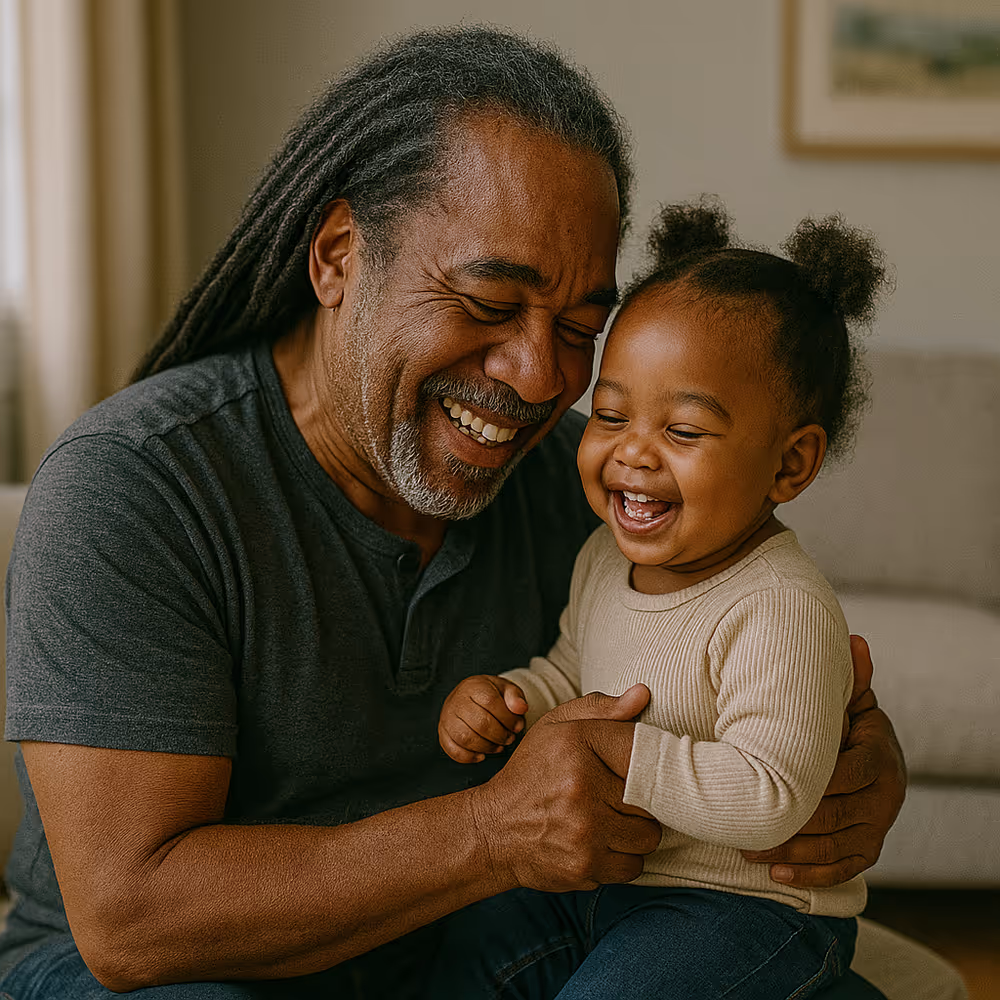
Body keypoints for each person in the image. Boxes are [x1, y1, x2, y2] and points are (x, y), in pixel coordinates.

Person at [0, 27, 905, 1000]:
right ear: (339, 256)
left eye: (577, 332)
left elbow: (736, 706)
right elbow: (132, 923)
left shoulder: (593, 494)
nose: (537, 374)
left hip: (456, 955)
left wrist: (853, 771)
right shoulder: (135, 485)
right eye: (486, 303)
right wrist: (489, 834)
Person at [436, 198, 887, 998]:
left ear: (790, 465)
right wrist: (514, 699)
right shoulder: (603, 559)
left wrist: (625, 755)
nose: (631, 452)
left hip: (747, 910)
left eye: (683, 432)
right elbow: (575, 675)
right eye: (611, 415)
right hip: (614, 889)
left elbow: (772, 796)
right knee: (468, 950)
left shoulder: (780, 606)